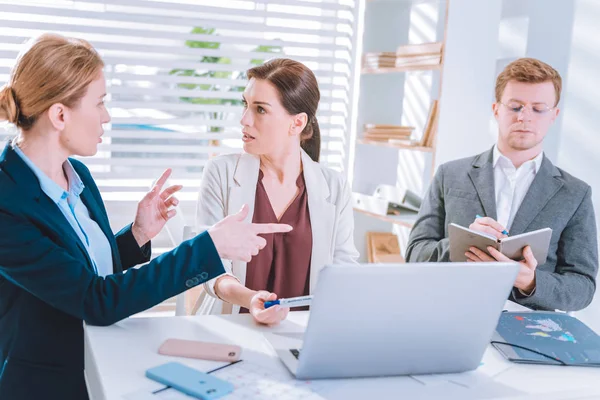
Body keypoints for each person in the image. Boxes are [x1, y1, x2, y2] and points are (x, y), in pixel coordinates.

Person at [0, 34, 291, 400]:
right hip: (48, 385)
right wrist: (207, 248)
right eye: (100, 103)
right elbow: (95, 300)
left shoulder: (77, 175)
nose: (106, 116)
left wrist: (137, 234)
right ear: (60, 115)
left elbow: (83, 272)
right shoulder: (6, 202)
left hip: (101, 366)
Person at [406, 57, 598, 312]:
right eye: (515, 106)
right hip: (449, 314)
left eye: (538, 109)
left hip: (529, 332)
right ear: (496, 109)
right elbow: (414, 255)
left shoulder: (575, 193)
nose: (524, 117)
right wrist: (460, 246)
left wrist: (531, 282)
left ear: (554, 115)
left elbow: (583, 286)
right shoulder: (450, 175)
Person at [194, 58, 359, 324]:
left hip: (304, 333)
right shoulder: (221, 172)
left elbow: (344, 269)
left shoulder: (334, 187)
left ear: (297, 124)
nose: (244, 119)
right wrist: (250, 299)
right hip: (232, 327)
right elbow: (209, 266)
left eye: (260, 110)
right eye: (245, 105)